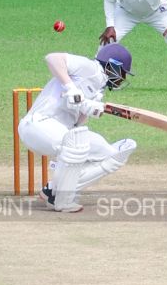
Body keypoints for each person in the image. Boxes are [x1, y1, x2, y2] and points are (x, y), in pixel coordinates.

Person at [17, 44, 136, 213]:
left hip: (60, 133)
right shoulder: (90, 68)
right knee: (76, 144)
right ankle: (63, 201)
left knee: (110, 155)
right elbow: (53, 58)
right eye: (123, 72)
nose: (122, 78)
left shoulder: (98, 90)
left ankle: (53, 191)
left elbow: (77, 125)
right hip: (37, 125)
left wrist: (89, 110)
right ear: (113, 66)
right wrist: (70, 87)